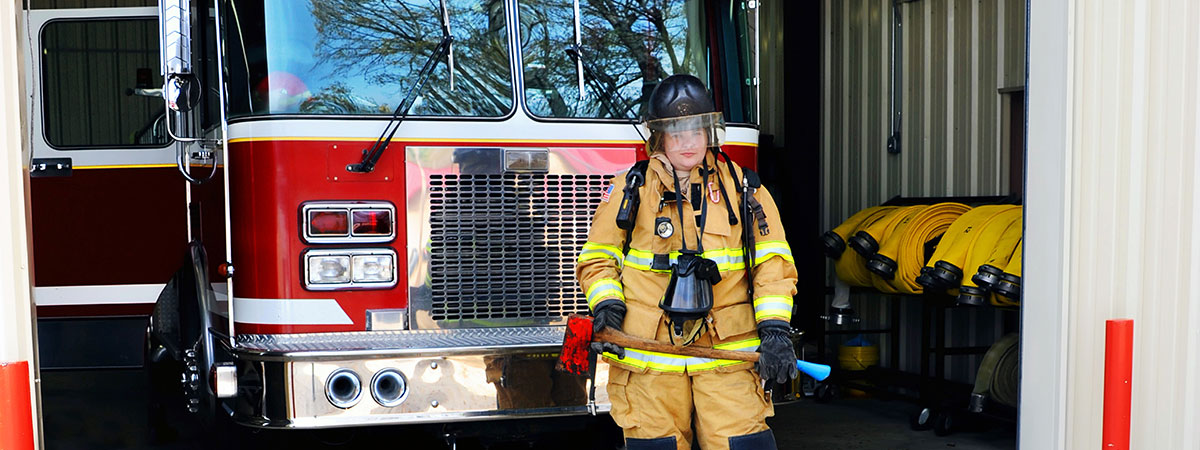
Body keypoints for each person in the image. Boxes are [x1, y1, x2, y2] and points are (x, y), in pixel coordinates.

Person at [575, 74, 799, 450]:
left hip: (728, 358)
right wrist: (607, 305)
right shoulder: (630, 191)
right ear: (659, 138)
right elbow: (599, 258)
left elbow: (773, 263)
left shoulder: (746, 190)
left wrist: (776, 330)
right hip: (648, 359)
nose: (688, 142)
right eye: (676, 133)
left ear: (709, 132)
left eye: (696, 131)